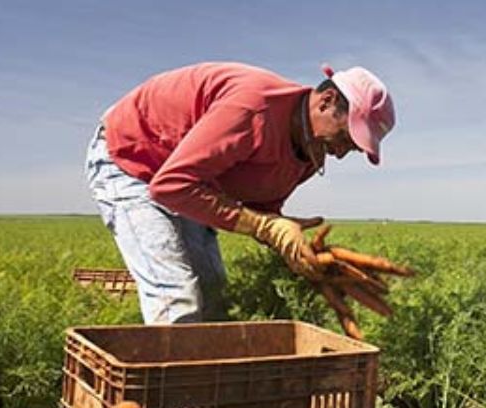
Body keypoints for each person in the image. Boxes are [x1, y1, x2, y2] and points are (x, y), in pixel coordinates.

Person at [86, 62, 396, 323]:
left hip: (192, 181)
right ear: (326, 101)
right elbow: (171, 185)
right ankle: (176, 394)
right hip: (133, 156)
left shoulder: (308, 155)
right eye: (345, 137)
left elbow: (259, 208)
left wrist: (300, 249)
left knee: (214, 294)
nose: (340, 154)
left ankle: (210, 386)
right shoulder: (253, 108)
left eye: (351, 149)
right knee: (176, 297)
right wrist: (265, 226)